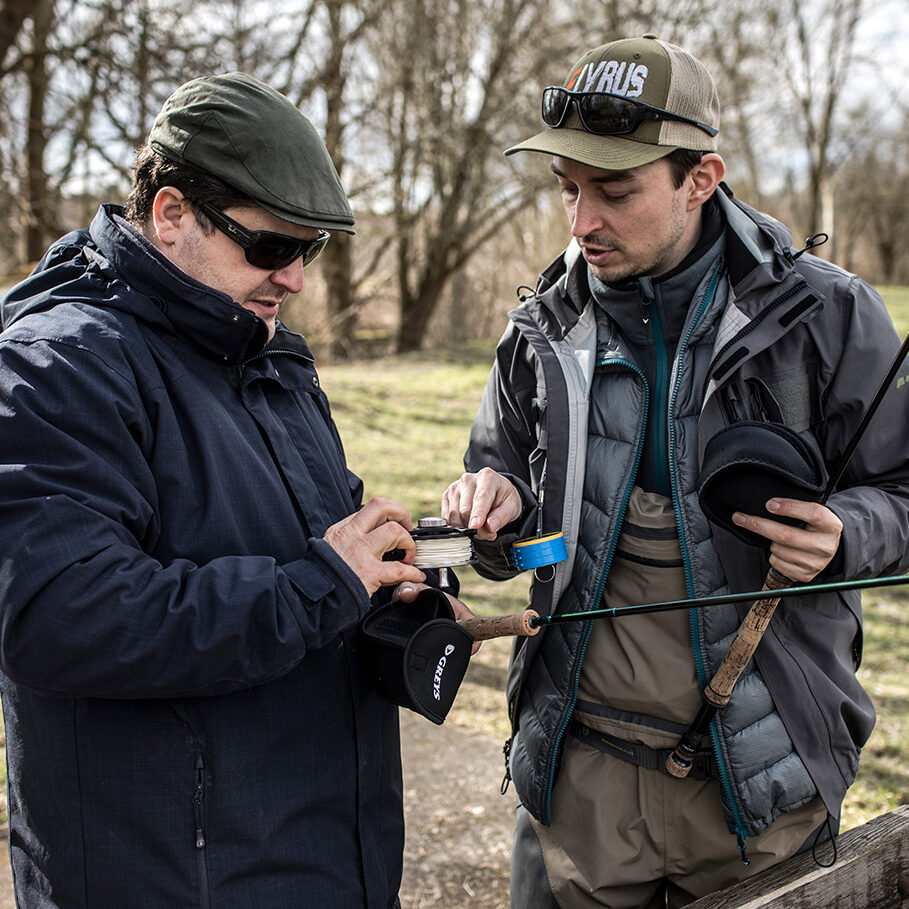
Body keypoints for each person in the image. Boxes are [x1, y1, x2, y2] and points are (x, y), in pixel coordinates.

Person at [441, 34, 909, 908]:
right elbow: (507, 517)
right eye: (568, 190)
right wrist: (493, 517)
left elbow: (902, 494)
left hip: (760, 792)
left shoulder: (830, 316)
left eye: (614, 190)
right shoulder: (537, 330)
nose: (581, 224)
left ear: (701, 178)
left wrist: (848, 534)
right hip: (575, 789)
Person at [0, 72, 472, 908]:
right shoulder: (54, 367)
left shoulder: (273, 358)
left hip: (326, 864)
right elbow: (54, 613)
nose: (293, 278)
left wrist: (391, 591)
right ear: (171, 214)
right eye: (270, 247)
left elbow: (324, 572)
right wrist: (318, 587)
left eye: (309, 250)